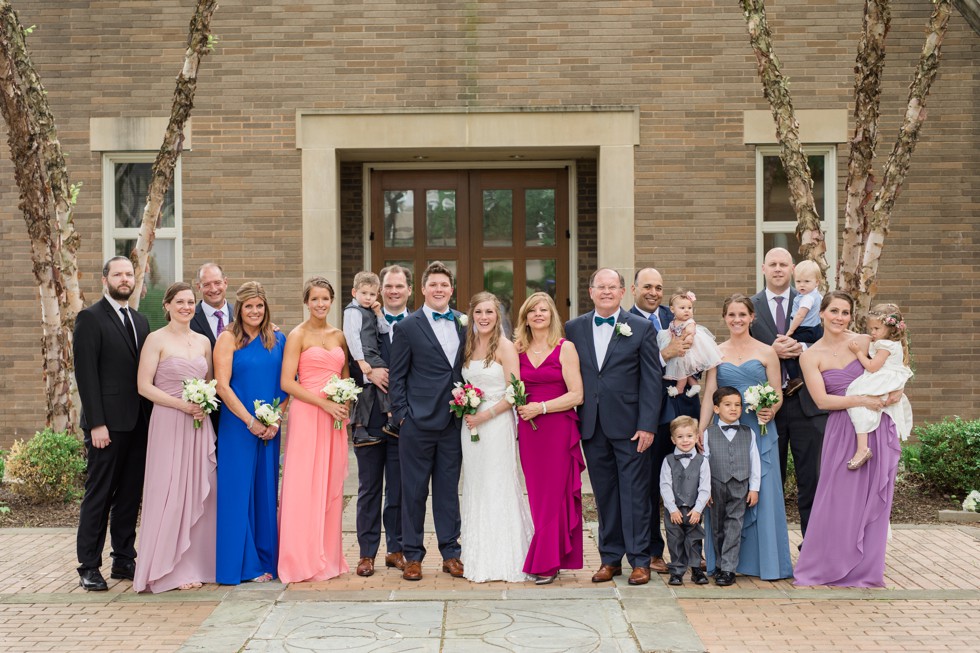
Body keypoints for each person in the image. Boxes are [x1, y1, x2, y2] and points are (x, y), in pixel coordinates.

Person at [794, 292, 901, 588]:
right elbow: (822, 400)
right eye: (834, 311)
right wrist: (862, 400)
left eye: (845, 312)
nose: (839, 317)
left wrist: (898, 392)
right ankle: (831, 564)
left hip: (876, 426)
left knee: (873, 499)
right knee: (838, 499)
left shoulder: (866, 342)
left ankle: (867, 569)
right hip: (842, 431)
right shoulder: (810, 355)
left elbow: (894, 369)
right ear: (822, 314)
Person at [565, 268, 662, 586]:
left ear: (623, 292)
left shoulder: (641, 327)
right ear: (590, 291)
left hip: (631, 427)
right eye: (600, 287)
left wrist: (647, 424)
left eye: (612, 287)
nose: (606, 292)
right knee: (605, 494)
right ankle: (610, 558)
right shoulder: (574, 328)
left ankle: (639, 559)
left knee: (635, 494)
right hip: (592, 425)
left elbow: (651, 381)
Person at [699, 294, 793, 581]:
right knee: (722, 493)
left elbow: (776, 392)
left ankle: (765, 562)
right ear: (725, 318)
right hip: (723, 432)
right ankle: (725, 562)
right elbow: (708, 395)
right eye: (731, 315)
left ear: (752, 317)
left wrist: (771, 410)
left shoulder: (767, 352)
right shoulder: (715, 352)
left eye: (742, 314)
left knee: (760, 491)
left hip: (759, 428)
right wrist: (702, 430)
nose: (737, 320)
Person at [73, 256, 152, 591]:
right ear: (104, 279)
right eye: (118, 274)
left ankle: (123, 558)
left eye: (129, 274)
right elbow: (86, 375)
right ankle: (89, 565)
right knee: (100, 495)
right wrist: (96, 424)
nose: (124, 279)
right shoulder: (90, 318)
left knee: (130, 495)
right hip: (107, 426)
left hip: (138, 424)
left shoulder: (141, 320)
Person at [133, 282, 217, 592]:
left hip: (198, 424)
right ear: (167, 305)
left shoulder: (204, 341)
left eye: (190, 301)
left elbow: (209, 383)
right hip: (169, 420)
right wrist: (183, 404)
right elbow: (144, 386)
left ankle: (197, 563)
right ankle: (168, 568)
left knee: (199, 490)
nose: (186, 306)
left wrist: (203, 403)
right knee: (169, 489)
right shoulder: (156, 340)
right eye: (179, 301)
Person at [388, 261, 466, 581]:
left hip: (452, 422)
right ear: (422, 288)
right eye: (433, 284)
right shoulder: (407, 327)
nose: (439, 290)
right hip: (417, 424)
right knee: (414, 492)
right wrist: (404, 415)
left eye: (444, 285)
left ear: (451, 289)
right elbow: (397, 377)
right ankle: (413, 555)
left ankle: (451, 554)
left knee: (448, 492)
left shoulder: (464, 322)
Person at [750, 248, 828, 536]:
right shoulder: (751, 305)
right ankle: (772, 547)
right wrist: (773, 350)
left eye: (784, 264)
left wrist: (802, 348)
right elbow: (742, 346)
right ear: (763, 268)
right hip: (769, 404)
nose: (778, 269)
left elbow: (828, 337)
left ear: (793, 269)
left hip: (808, 401)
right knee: (770, 479)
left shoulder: (814, 299)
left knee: (813, 478)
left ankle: (814, 546)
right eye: (773, 264)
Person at [213, 281, 287, 585]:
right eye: (248, 306)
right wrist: (249, 421)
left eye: (259, 305)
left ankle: (267, 560)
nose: (254, 311)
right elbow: (222, 385)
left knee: (266, 492)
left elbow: (285, 386)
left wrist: (275, 419)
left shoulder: (278, 339)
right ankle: (242, 565)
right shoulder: (227, 339)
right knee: (237, 492)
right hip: (237, 425)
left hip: (270, 428)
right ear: (238, 308)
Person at [278, 276, 351, 583]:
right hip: (308, 414)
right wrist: (324, 404)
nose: (321, 304)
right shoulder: (297, 335)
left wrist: (343, 398)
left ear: (331, 301)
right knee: (304, 484)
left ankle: (328, 557)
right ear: (306, 302)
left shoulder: (339, 335)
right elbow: (287, 383)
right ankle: (300, 559)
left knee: (330, 484)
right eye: (315, 299)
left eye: (325, 299)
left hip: (334, 418)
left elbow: (346, 375)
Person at [457, 292, 533, 582]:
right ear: (472, 315)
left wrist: (485, 415)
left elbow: (515, 392)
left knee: (498, 483)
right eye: (479, 313)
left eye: (489, 312)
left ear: (497, 315)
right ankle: (478, 556)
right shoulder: (467, 346)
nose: (484, 317)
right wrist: (466, 404)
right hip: (471, 425)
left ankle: (506, 557)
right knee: (476, 485)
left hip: (497, 422)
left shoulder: (505, 346)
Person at [514, 292, 585, 585]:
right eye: (533, 310)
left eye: (544, 309)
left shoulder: (564, 348)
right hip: (530, 433)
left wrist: (541, 407)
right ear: (525, 318)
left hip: (557, 427)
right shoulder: (517, 349)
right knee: (539, 495)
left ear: (552, 314)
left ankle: (547, 561)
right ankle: (549, 556)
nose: (538, 314)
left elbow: (576, 394)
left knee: (555, 495)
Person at [630, 267, 697, 574]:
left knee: (684, 483)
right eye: (647, 286)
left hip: (679, 414)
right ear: (633, 290)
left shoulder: (673, 320)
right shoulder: (625, 324)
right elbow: (628, 369)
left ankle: (689, 552)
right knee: (648, 487)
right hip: (644, 418)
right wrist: (665, 354)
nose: (653, 292)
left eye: (658, 287)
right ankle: (651, 550)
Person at [353, 265, 410, 577]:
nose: (393, 291)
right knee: (369, 488)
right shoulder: (360, 320)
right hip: (370, 417)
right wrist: (367, 370)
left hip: (405, 421)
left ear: (408, 290)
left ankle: (396, 550)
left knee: (400, 489)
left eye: (399, 286)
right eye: (388, 286)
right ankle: (366, 553)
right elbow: (347, 359)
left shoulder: (417, 324)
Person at [701, 387, 761, 587]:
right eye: (728, 405)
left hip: (740, 485)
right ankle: (718, 564)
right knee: (717, 527)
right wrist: (705, 490)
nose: (733, 409)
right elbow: (704, 462)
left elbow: (755, 461)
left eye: (737, 405)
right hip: (715, 485)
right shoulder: (708, 434)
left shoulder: (748, 432)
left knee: (734, 526)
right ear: (716, 409)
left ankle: (728, 569)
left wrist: (754, 488)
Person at [844, 303, 914, 469]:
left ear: (890, 329)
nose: (872, 333)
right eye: (871, 329)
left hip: (882, 379)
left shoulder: (885, 345)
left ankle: (862, 448)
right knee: (865, 405)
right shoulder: (893, 343)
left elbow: (872, 366)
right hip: (889, 380)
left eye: (876, 328)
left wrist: (858, 352)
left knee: (856, 400)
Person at [343, 271, 392, 448]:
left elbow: (384, 330)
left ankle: (360, 429)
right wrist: (360, 361)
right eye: (364, 293)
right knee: (387, 376)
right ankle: (391, 418)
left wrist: (378, 312)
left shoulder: (371, 310)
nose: (368, 297)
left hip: (372, 353)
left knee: (366, 391)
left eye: (372, 294)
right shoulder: (353, 311)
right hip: (364, 354)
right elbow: (352, 336)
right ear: (354, 292)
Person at [659, 416, 710, 587]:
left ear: (696, 437)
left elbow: (705, 487)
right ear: (673, 439)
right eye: (680, 437)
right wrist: (672, 509)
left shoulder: (702, 461)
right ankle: (677, 571)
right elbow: (665, 486)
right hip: (673, 510)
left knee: (694, 538)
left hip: (694, 509)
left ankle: (696, 569)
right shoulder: (668, 461)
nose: (685, 440)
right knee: (675, 540)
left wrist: (698, 509)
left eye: (689, 436)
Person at [191, 263, 233, 433]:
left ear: (225, 282)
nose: (213, 289)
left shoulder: (244, 314)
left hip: (238, 401)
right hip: (202, 408)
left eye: (217, 283)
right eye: (206, 284)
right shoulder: (188, 317)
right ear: (198, 287)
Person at [658, 289, 722, 398]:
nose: (687, 311)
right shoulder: (673, 322)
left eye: (689, 308)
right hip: (677, 349)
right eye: (682, 308)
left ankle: (679, 388)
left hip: (687, 350)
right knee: (686, 371)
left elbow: (690, 334)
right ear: (672, 309)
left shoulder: (689, 322)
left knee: (682, 369)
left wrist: (687, 340)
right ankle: (695, 385)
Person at [784, 260, 824, 395]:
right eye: (798, 281)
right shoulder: (818, 296)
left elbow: (800, 315)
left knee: (787, 352)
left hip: (804, 329)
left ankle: (794, 379)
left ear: (817, 282)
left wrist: (790, 331)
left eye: (807, 282)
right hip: (816, 328)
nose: (802, 285)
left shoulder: (807, 298)